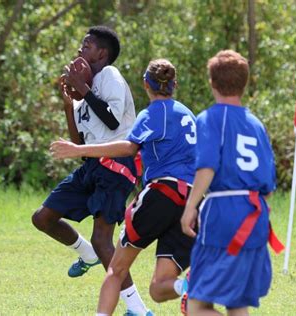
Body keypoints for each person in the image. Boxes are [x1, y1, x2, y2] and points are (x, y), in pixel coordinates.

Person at [50, 59, 196, 316]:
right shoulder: (189, 116)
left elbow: (128, 147)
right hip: (192, 202)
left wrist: (78, 150)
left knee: (115, 269)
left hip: (163, 193)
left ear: (145, 84)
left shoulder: (152, 113)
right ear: (175, 84)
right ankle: (188, 286)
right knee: (159, 288)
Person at [31, 26, 150, 315]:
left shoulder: (109, 76)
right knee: (43, 218)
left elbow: (110, 121)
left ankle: (138, 309)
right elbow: (78, 142)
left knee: (102, 240)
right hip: (93, 164)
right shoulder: (87, 91)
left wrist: (83, 90)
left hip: (117, 166)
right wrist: (69, 105)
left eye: (87, 46)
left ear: (102, 53)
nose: (80, 50)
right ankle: (86, 254)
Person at [181, 50, 284, 316]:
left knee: (196, 305)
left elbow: (207, 167)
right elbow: (269, 185)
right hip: (255, 214)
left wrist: (191, 207)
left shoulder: (210, 118)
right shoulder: (255, 124)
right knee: (237, 303)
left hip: (223, 214)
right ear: (244, 84)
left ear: (212, 82)